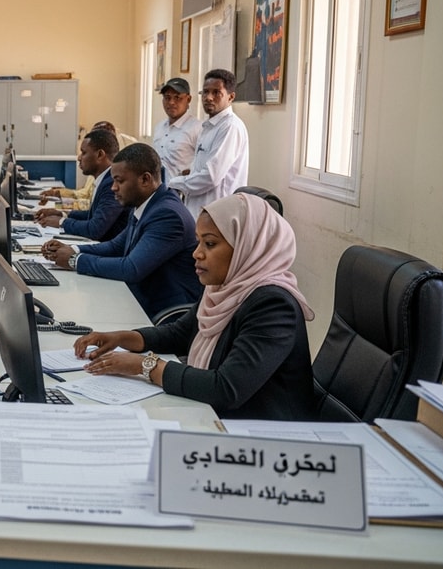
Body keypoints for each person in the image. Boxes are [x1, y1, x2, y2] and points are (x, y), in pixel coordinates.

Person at [74, 193, 315, 420]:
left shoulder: (273, 305)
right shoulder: (224, 287)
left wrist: (144, 365)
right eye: (198, 242)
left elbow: (226, 388)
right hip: (220, 417)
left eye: (210, 244)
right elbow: (181, 333)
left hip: (267, 436)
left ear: (246, 246)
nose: (197, 254)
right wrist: (120, 338)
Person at [41, 144, 202, 321]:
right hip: (139, 299)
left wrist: (74, 261)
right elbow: (117, 246)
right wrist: (73, 249)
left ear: (145, 179)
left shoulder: (168, 215)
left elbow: (131, 268)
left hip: (163, 315)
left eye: (120, 181)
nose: (113, 188)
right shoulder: (145, 203)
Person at [167, 69, 249, 218]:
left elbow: (211, 176)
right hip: (198, 211)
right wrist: (188, 172)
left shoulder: (230, 126)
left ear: (231, 97)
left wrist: (175, 183)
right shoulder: (208, 126)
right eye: (205, 92)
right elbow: (200, 167)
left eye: (216, 92)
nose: (209, 97)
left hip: (218, 215)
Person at [33, 128, 127, 241]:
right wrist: (61, 214)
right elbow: (93, 215)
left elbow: (95, 229)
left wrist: (61, 222)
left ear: (100, 155)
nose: (79, 158)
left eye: (84, 152)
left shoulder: (111, 184)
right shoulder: (105, 180)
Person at [152, 77, 202, 181]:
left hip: (182, 192)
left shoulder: (197, 128)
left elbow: (203, 166)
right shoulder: (159, 127)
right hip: (160, 190)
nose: (171, 102)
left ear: (188, 99)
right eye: (167, 97)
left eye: (177, 97)